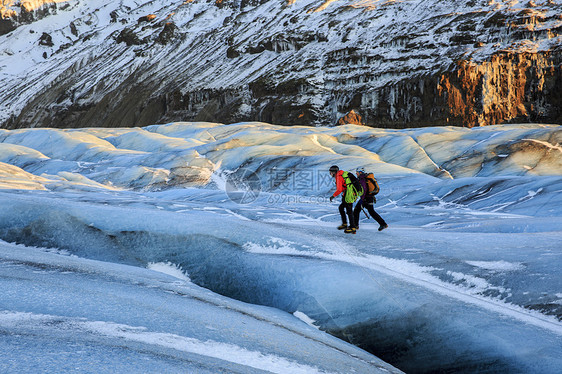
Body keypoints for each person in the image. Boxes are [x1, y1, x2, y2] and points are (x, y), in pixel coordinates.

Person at [353, 167, 388, 231]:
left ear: (360, 172)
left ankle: (355, 226)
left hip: (366, 198)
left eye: (357, 172)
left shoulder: (362, 178)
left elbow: (364, 189)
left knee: (357, 210)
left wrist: (362, 199)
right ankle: (383, 224)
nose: (356, 174)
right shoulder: (365, 178)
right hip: (369, 197)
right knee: (370, 211)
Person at [329, 165, 357, 234]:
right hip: (348, 194)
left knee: (349, 210)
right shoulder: (342, 174)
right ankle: (345, 224)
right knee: (341, 208)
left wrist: (333, 196)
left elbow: (339, 189)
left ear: (334, 172)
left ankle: (352, 227)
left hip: (348, 194)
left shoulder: (338, 177)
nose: (330, 174)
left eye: (331, 172)